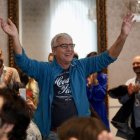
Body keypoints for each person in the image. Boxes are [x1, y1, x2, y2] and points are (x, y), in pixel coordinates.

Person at [0, 13, 135, 139]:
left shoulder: (81, 66)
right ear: (53, 50)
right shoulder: (45, 69)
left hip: (80, 132)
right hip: (52, 133)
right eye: (64, 46)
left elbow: (108, 57)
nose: (69, 49)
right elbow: (23, 62)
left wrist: (122, 36)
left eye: (71, 45)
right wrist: (15, 37)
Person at [109, 55, 140, 140]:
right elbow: (122, 101)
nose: (135, 65)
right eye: (134, 64)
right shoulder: (129, 82)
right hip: (133, 122)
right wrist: (129, 94)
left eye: (138, 63)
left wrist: (138, 93)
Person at [86, 51, 110, 130]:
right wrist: (88, 86)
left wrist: (96, 84)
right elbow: (83, 97)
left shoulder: (104, 77)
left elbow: (101, 96)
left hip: (100, 112)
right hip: (86, 113)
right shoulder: (84, 78)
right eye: (91, 62)